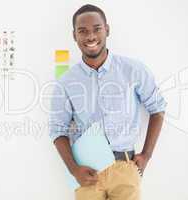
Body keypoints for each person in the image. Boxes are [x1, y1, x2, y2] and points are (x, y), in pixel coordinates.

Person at [49, 4, 167, 200]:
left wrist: (146, 155)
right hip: (87, 173)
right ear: (74, 36)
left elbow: (158, 109)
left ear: (107, 30)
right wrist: (73, 170)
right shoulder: (66, 83)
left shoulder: (133, 70)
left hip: (125, 169)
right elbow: (57, 130)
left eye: (97, 29)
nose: (90, 37)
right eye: (83, 31)